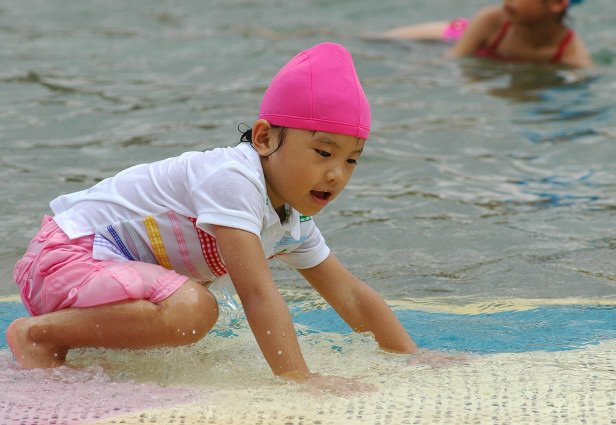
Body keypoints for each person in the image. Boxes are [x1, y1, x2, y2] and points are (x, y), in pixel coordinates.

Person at [6, 42, 457, 390]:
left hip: (97, 279)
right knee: (194, 310)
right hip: (66, 258)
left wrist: (409, 356)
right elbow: (258, 295)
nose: (336, 174)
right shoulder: (232, 178)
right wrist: (299, 382)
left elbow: (351, 296)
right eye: (323, 152)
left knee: (193, 307)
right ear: (263, 138)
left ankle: (65, 335)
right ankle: (39, 334)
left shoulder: (288, 220)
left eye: (353, 160)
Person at [382, 0, 592, 68]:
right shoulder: (492, 19)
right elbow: (454, 60)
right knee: (381, 40)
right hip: (457, 35)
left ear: (557, 3)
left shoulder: (570, 53)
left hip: (489, 55)